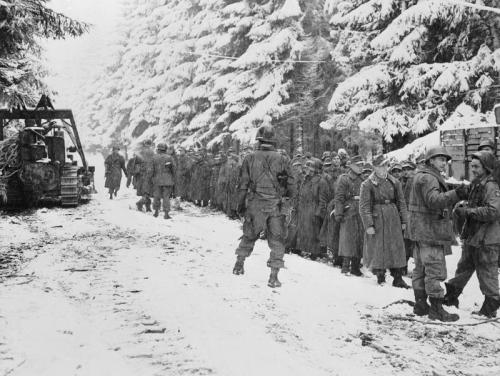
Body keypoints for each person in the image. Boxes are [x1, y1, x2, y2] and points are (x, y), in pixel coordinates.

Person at [406, 146, 468, 322]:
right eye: (440, 159)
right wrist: (457, 194)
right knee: (434, 270)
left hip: (420, 231)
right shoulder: (429, 178)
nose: (444, 163)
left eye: (445, 160)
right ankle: (436, 308)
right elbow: (434, 201)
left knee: (420, 268)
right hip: (430, 231)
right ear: (431, 160)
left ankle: (420, 304)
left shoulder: (421, 175)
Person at [232, 125, 295, 288]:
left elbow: (243, 185)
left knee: (249, 235)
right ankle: (273, 277)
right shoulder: (283, 159)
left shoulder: (249, 158)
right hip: (276, 206)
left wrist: (239, 205)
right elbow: (292, 184)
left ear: (259, 140)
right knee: (277, 241)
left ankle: (239, 264)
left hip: (255, 205)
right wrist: (286, 199)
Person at [444, 151, 500, 318]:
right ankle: (451, 297)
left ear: (486, 168)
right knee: (463, 268)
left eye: (476, 166)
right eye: (472, 166)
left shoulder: (491, 186)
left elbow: (494, 211)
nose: (473, 169)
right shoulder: (477, 184)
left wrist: (468, 212)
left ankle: (490, 307)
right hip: (474, 237)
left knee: (487, 272)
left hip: (487, 239)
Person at [359, 155, 409, 287]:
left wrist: (404, 220)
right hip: (377, 219)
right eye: (380, 166)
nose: (383, 169)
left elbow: (402, 203)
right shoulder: (367, 184)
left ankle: (398, 277)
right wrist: (368, 224)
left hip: (393, 217)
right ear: (374, 167)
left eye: (385, 165)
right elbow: (364, 206)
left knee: (396, 247)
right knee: (378, 247)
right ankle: (380, 276)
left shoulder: (395, 182)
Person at [334, 155, 365, 276]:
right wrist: (339, 213)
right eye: (358, 165)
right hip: (348, 211)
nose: (361, 167)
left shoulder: (363, 180)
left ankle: (356, 267)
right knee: (347, 239)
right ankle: (345, 266)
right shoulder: (344, 179)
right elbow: (339, 197)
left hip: (360, 212)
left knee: (359, 239)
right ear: (351, 166)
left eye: (362, 165)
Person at [296, 158, 324, 260]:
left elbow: (322, 199)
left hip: (313, 209)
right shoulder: (305, 179)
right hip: (304, 209)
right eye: (307, 168)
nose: (307, 170)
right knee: (303, 230)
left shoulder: (320, 181)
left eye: (310, 169)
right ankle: (302, 248)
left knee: (314, 232)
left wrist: (319, 212)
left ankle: (315, 253)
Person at [151, 143, 176, 219]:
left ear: (158, 149)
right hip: (168, 180)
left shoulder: (154, 158)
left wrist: (152, 178)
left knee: (156, 196)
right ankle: (166, 213)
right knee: (166, 197)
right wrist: (173, 178)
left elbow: (151, 170)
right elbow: (174, 169)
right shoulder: (169, 158)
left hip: (157, 180)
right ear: (165, 149)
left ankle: (156, 212)